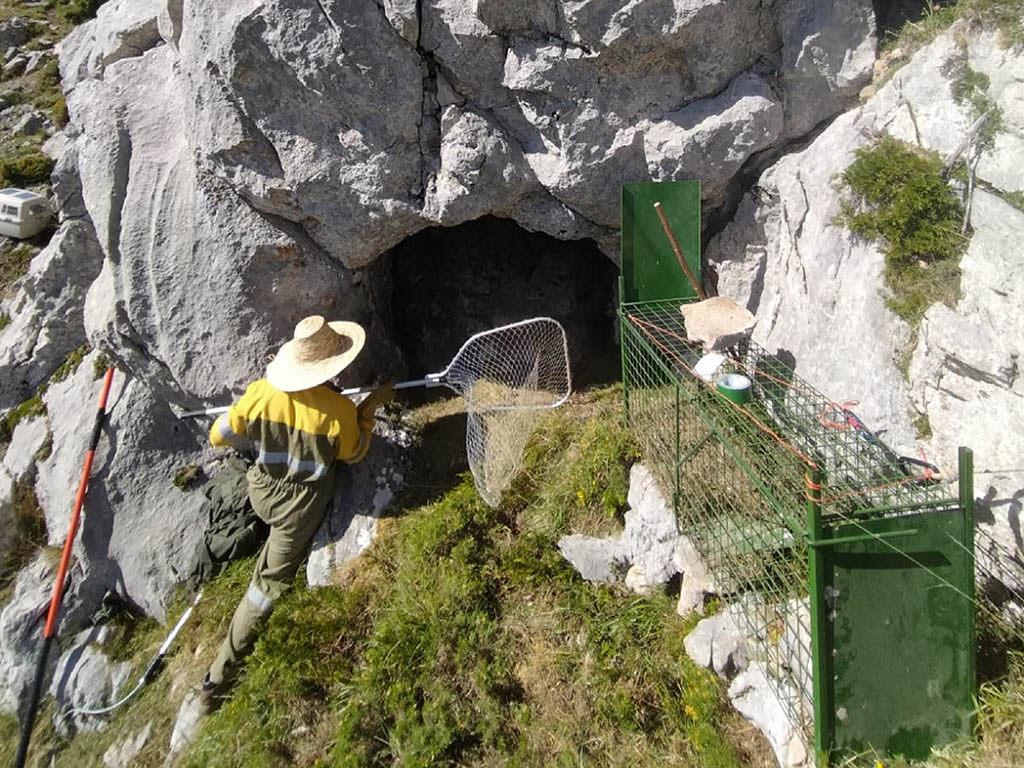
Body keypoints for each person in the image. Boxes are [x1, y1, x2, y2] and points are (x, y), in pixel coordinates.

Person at [197, 314, 393, 713]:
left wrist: (247, 413)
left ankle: (250, 536)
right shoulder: (337, 411)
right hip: (298, 508)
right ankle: (215, 679)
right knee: (266, 584)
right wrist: (366, 417)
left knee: (256, 504)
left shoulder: (260, 392)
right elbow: (353, 454)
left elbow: (220, 437)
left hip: (262, 490)